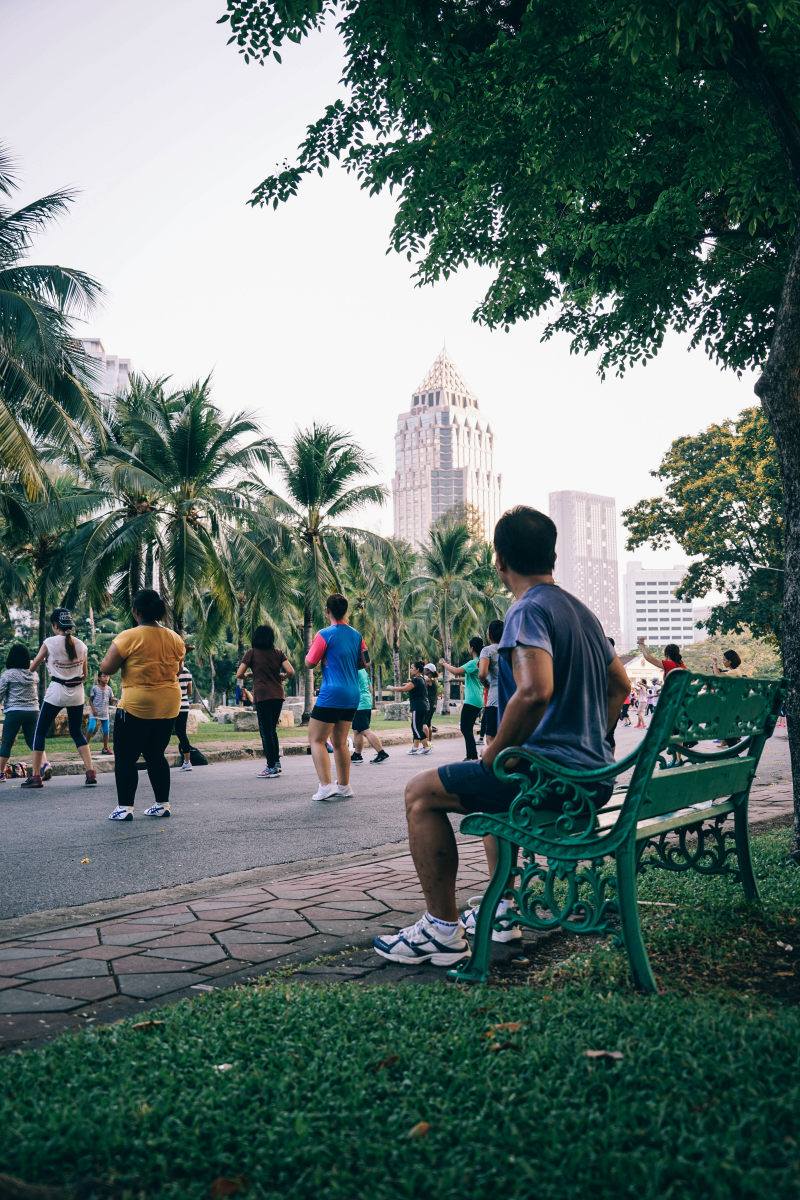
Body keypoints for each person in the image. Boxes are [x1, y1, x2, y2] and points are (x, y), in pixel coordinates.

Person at [373, 505, 630, 967]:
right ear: (552, 555)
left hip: (548, 781)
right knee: (500, 788)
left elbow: (534, 691)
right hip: (592, 780)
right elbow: (621, 686)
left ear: (499, 561)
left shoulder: (527, 609)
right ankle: (502, 910)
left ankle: (442, 930)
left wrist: (494, 753)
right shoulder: (583, 612)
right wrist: (598, 742)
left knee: (419, 793)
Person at [99, 589, 186, 820]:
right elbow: (177, 669)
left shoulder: (129, 636)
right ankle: (162, 805)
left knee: (126, 756)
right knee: (156, 754)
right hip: (168, 703)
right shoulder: (175, 638)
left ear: (136, 612)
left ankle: (125, 808)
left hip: (137, 704)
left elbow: (106, 668)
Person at [305, 594, 368, 801]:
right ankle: (344, 786)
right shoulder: (357, 636)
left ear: (327, 611)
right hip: (352, 694)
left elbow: (310, 663)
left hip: (332, 692)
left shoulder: (324, 634)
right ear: (346, 611)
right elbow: (365, 662)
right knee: (340, 741)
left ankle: (325, 786)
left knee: (316, 739)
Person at [23, 610, 95, 789]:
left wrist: (44, 661)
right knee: (77, 731)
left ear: (55, 626)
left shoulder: (49, 643)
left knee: (39, 732)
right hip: (77, 693)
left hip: (56, 691)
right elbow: (84, 674)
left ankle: (36, 776)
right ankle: (90, 772)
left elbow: (32, 668)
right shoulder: (81, 645)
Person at [237, 626, 295, 779]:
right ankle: (276, 763)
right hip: (277, 695)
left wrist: (251, 674)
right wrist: (282, 676)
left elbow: (239, 674)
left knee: (265, 732)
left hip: (263, 695)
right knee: (272, 730)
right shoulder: (278, 653)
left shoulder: (252, 653)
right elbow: (291, 671)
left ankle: (271, 766)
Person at [0, 644, 42, 780]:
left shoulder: (8, 674)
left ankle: (0, 773)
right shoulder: (33, 673)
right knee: (34, 742)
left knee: (7, 742)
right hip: (33, 711)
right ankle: (43, 767)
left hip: (14, 711)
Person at [440, 637, 484, 760]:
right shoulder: (482, 662)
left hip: (472, 700)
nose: (468, 648)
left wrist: (444, 663)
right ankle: (470, 755)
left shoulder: (474, 662)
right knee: (467, 728)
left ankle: (473, 756)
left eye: (469, 646)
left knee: (465, 728)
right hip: (478, 699)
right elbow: (471, 678)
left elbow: (456, 670)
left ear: (472, 648)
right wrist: (456, 680)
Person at [390, 661, 431, 755]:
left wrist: (392, 688)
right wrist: (408, 684)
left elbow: (403, 690)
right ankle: (415, 748)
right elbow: (412, 687)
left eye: (412, 668)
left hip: (419, 707)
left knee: (416, 728)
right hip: (423, 706)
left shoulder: (416, 680)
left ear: (417, 670)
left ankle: (426, 747)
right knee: (416, 727)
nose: (411, 669)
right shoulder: (421, 679)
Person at [350, 667, 389, 764]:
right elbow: (370, 689)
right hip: (366, 702)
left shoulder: (353, 670)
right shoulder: (363, 671)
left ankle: (381, 752)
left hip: (359, 704)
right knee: (357, 731)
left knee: (365, 730)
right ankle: (357, 755)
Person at [478, 620, 504, 748]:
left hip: (495, 699)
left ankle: (496, 765)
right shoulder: (511, 650)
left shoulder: (487, 650)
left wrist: (485, 684)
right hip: (512, 699)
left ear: (489, 635)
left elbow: (482, 674)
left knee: (491, 737)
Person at [173, 655, 195, 772]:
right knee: (182, 734)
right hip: (184, 706)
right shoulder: (187, 671)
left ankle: (152, 762)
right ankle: (187, 762)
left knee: (161, 733)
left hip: (172, 705)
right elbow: (190, 691)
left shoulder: (171, 670)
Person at [87, 671, 114, 755]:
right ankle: (85, 746)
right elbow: (90, 701)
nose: (106, 678)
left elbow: (110, 702)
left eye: (108, 676)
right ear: (99, 678)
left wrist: (112, 700)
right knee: (91, 728)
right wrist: (94, 709)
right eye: (104, 676)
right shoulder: (95, 688)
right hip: (94, 712)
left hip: (105, 713)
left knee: (106, 731)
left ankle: (105, 748)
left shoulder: (109, 689)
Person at [422, 664, 439, 744]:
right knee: (428, 724)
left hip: (429, 704)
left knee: (424, 723)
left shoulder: (429, 679)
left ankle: (426, 743)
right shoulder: (434, 679)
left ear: (429, 671)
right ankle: (429, 742)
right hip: (433, 704)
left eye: (425, 669)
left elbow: (421, 682)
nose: (423, 670)